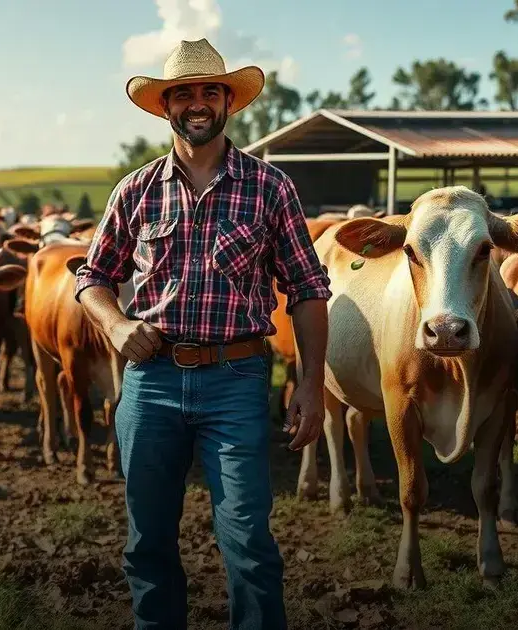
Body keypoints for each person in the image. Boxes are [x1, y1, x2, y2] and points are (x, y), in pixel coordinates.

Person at [73, 38, 331, 629]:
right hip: (152, 379)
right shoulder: (135, 190)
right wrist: (115, 324)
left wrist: (311, 385)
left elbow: (309, 289)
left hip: (236, 378)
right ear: (164, 106)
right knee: (148, 539)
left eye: (208, 91)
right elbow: (92, 276)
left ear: (227, 102)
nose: (196, 103)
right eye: (182, 93)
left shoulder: (270, 187)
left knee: (246, 538)